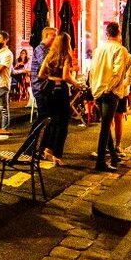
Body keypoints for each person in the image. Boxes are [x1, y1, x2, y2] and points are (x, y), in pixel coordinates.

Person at [89, 22, 131, 172]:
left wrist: (94, 90)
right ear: (119, 34)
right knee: (105, 127)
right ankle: (100, 161)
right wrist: (109, 88)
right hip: (110, 92)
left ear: (107, 33)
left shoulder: (98, 49)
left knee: (105, 124)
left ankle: (113, 155)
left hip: (99, 90)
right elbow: (117, 72)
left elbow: (92, 71)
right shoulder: (120, 50)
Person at [37, 32, 78, 166]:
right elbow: (66, 76)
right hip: (60, 90)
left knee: (52, 120)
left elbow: (40, 74)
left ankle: (46, 149)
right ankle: (57, 154)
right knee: (62, 124)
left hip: (48, 89)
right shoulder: (66, 56)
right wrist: (76, 83)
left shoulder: (50, 56)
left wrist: (50, 76)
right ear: (67, 43)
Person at [31, 27, 58, 128]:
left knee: (47, 116)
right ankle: (33, 140)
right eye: (53, 36)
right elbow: (46, 65)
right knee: (43, 116)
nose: (55, 39)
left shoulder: (47, 49)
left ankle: (41, 140)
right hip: (40, 87)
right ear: (46, 35)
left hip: (44, 87)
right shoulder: (40, 49)